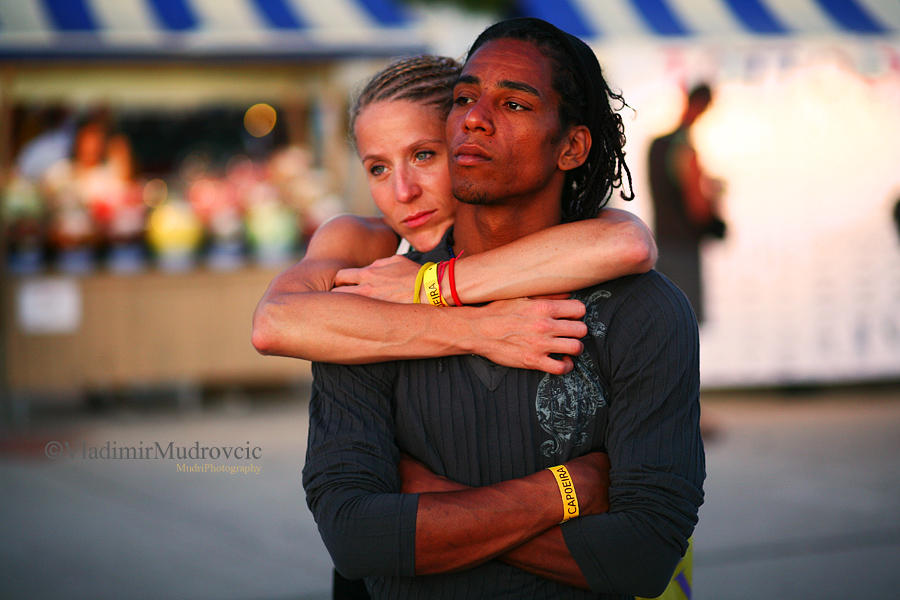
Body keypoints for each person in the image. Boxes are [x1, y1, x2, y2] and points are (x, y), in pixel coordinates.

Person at [301, 17, 704, 599]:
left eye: (513, 104)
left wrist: (428, 503)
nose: (474, 117)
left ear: (571, 146)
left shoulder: (643, 311)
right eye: (464, 98)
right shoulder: (373, 302)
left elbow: (643, 555)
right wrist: (563, 492)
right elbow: (354, 537)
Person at [252, 55, 656, 373]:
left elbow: (629, 243)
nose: (403, 192)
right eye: (378, 168)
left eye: (423, 155)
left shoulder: (560, 233)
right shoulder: (367, 242)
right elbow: (275, 323)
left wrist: (430, 284)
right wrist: (481, 331)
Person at [648, 83, 726, 324]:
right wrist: (714, 197)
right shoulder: (684, 148)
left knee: (664, 325)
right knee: (685, 326)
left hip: (661, 244)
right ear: (703, 106)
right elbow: (698, 207)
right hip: (683, 249)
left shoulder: (656, 145)